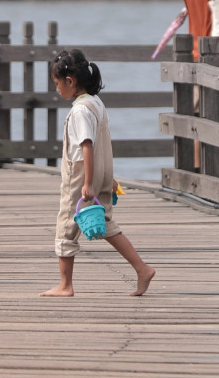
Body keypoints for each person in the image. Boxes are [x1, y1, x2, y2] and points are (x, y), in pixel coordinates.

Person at [40, 50, 155, 298]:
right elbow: (102, 143)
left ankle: (65, 285)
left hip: (81, 177)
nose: (57, 90)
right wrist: (107, 178)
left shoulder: (80, 110)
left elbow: (87, 146)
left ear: (70, 81)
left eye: (57, 84)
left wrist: (88, 183)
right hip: (102, 172)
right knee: (105, 222)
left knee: (66, 227)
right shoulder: (96, 103)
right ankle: (142, 268)